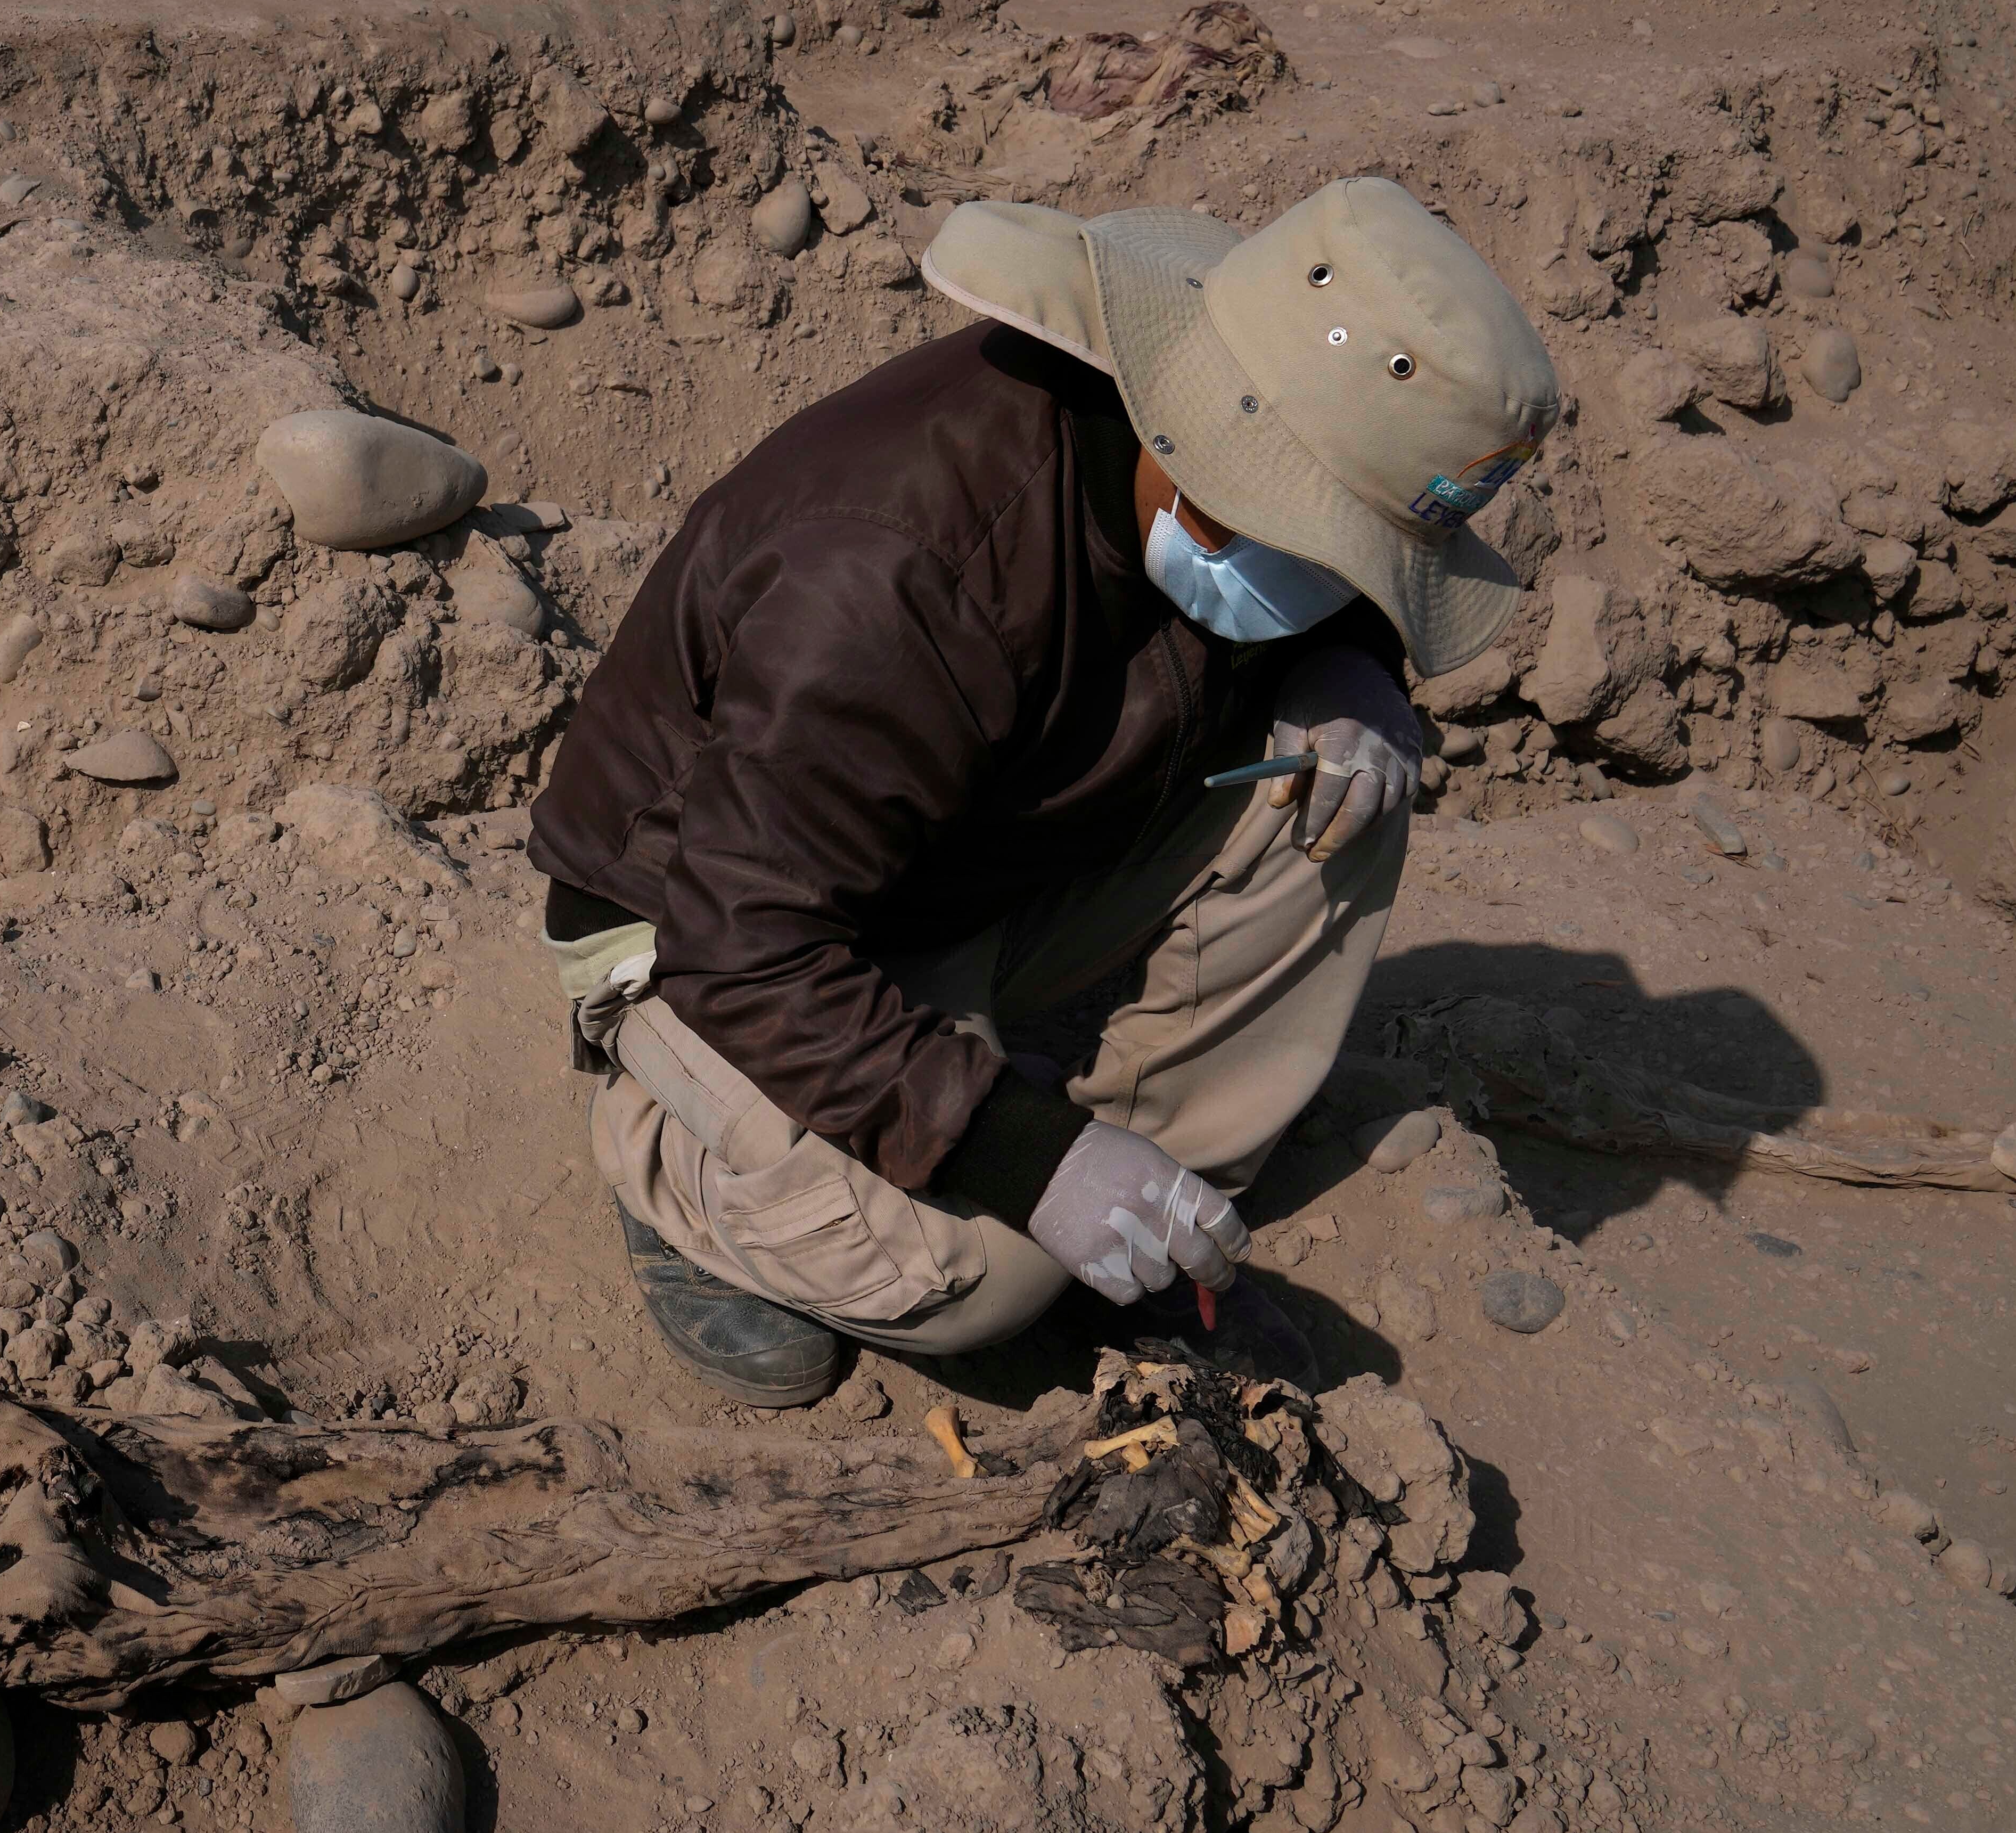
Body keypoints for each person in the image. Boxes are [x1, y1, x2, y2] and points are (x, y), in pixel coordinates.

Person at [525, 176, 1560, 1403]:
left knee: (1336, 788)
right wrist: (1026, 1160)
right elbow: (745, 943)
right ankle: (679, 1174)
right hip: (712, 937)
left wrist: (1350, 665)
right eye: (1330, 552)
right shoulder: (895, 579)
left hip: (958, 864)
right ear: (1209, 463)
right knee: (987, 1275)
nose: (1338, 580)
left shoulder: (1199, 475)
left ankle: (1158, 1207)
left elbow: (1296, 601)